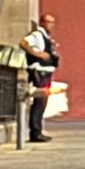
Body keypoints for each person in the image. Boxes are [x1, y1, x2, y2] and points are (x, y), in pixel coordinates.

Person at [23, 14, 58, 142]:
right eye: (49, 22)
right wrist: (38, 54)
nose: (52, 25)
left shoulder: (45, 37)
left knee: (43, 102)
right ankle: (35, 132)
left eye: (53, 22)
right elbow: (24, 43)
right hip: (39, 72)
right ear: (42, 23)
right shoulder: (37, 35)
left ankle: (38, 130)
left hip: (45, 72)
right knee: (39, 102)